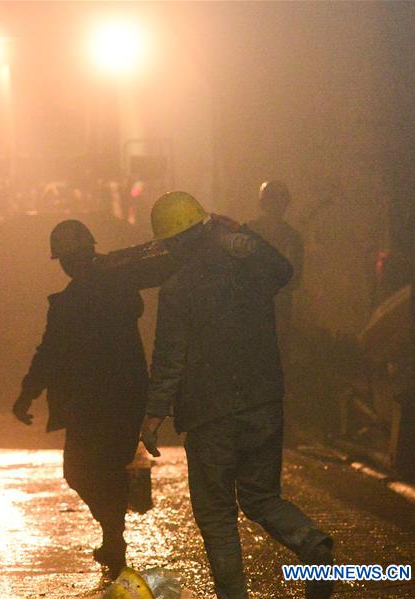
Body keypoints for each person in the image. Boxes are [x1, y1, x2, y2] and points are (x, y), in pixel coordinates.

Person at [139, 192, 333, 599]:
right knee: (262, 498)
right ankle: (310, 542)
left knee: (216, 515)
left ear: (172, 242)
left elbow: (169, 357)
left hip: (209, 414)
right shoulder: (250, 268)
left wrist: (155, 414)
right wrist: (246, 235)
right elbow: (285, 271)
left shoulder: (177, 288)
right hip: (264, 402)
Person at [12, 219, 178, 572]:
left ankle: (113, 537)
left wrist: (28, 392)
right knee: (101, 469)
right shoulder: (111, 286)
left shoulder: (80, 298)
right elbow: (51, 351)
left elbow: (50, 352)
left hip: (95, 399)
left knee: (82, 471)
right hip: (120, 395)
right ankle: (113, 538)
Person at [248, 180, 304, 334]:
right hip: (258, 305)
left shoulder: (249, 232)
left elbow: (295, 278)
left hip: (272, 306)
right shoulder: (250, 231)